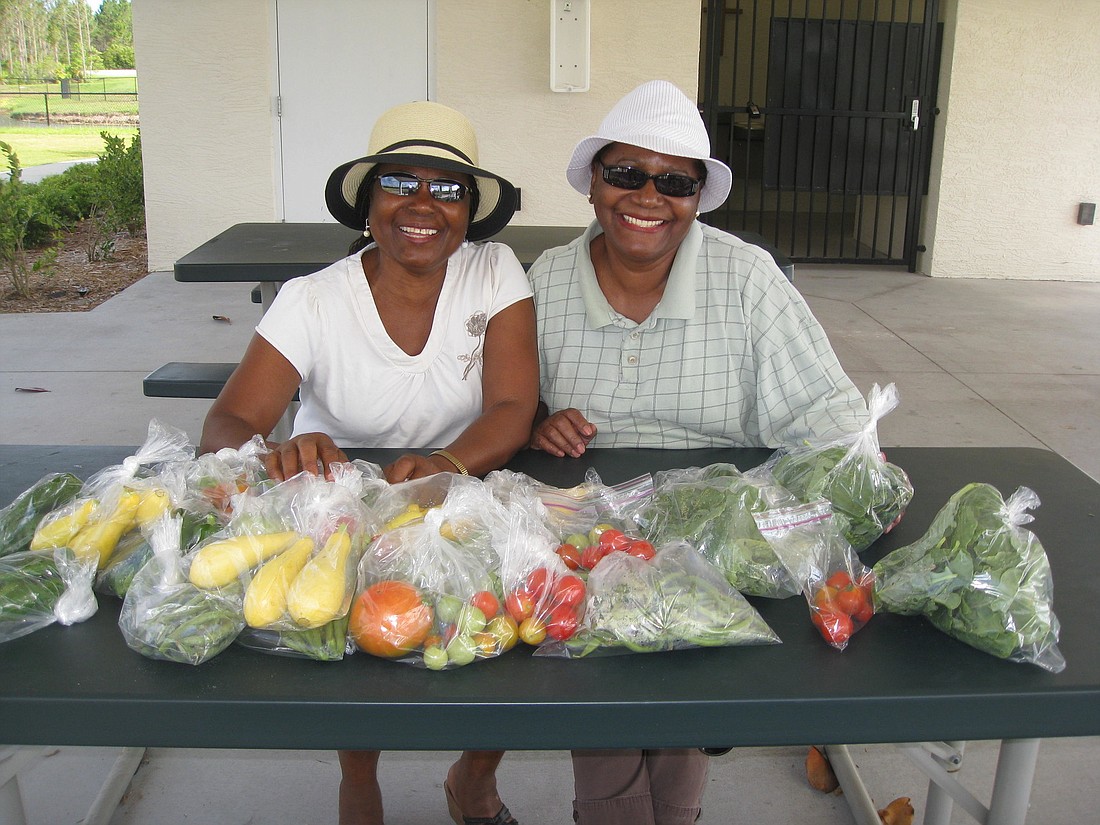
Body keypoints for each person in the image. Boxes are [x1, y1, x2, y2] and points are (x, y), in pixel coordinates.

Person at [526, 80, 868, 825]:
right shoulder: (546, 282)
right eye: (626, 173)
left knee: (674, 694)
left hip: (721, 536)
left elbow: (832, 417)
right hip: (592, 534)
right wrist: (538, 423)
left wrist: (783, 513)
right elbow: (504, 403)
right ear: (593, 183)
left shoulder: (746, 279)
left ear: (697, 197)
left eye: (675, 181)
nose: (648, 195)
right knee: (612, 695)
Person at [199, 100, 536, 825]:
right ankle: (358, 776)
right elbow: (226, 423)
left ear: (471, 207)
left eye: (447, 188)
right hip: (340, 511)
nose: (422, 205)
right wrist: (275, 451)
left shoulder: (494, 271)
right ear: (367, 199)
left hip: (460, 500)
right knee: (349, 640)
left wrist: (447, 461)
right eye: (399, 183)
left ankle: (475, 776)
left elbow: (513, 407)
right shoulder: (312, 301)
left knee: (501, 632)